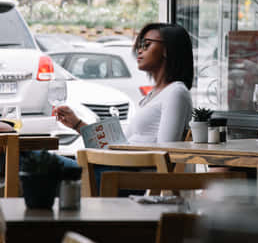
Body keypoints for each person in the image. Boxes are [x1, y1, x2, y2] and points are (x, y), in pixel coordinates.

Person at [55, 22, 194, 188]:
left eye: (147, 45)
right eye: (140, 45)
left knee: (33, 161)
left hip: (126, 179)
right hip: (115, 170)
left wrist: (116, 153)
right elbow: (121, 144)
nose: (139, 50)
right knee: (32, 160)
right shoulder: (154, 95)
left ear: (167, 50)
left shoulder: (176, 92)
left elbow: (164, 152)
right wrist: (78, 125)